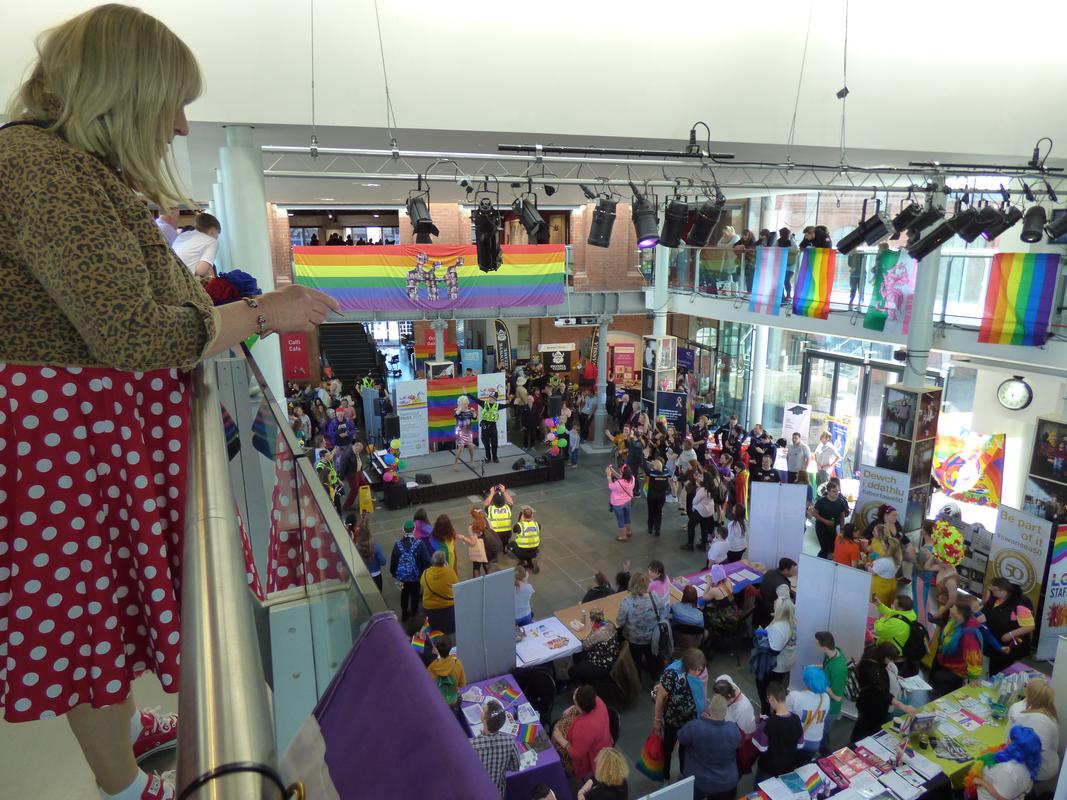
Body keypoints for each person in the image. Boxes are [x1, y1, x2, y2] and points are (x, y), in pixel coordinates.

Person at [0, 8, 342, 799]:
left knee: (105, 601)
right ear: (124, 93)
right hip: (72, 438)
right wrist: (263, 314)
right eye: (174, 103)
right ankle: (122, 785)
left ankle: (121, 734)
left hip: (91, 428)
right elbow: (136, 331)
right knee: (87, 614)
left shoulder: (65, 169)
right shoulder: (48, 173)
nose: (181, 125)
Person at [653, 648, 708, 781]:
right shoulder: (671, 674)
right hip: (673, 720)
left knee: (686, 750)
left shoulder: (702, 671)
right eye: (694, 669)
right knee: (667, 749)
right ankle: (665, 775)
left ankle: (684, 776)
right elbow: (660, 698)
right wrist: (657, 720)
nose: (697, 673)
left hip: (691, 722)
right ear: (687, 665)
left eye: (700, 670)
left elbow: (702, 694)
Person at [678, 694, 741, 800]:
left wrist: (702, 720)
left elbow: (681, 737)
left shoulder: (695, 726)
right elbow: (737, 744)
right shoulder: (733, 729)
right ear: (725, 712)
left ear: (710, 709)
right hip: (726, 783)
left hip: (699, 782)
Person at [852, 643, 917, 743]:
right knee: (866, 729)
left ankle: (856, 742)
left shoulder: (872, 653)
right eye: (890, 660)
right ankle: (857, 744)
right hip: (871, 706)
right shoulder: (873, 670)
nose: (890, 663)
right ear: (885, 657)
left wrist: (895, 676)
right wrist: (903, 706)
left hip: (867, 703)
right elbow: (882, 693)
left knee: (862, 725)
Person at [552, 685, 613, 782]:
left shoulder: (585, 727)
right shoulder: (597, 700)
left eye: (575, 702)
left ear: (581, 707)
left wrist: (560, 739)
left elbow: (576, 754)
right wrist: (574, 707)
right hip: (603, 740)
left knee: (555, 743)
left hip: (592, 756)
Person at [977, 577, 1035, 675]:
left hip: (1009, 645)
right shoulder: (993, 598)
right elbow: (983, 611)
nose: (992, 592)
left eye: (994, 590)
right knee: (993, 668)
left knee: (1003, 670)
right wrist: (985, 600)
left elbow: (1030, 626)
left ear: (1003, 591)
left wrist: (1010, 634)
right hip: (994, 642)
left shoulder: (1020, 604)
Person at [1007, 678, 1060, 783]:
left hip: (1037, 768)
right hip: (1043, 763)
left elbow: (1030, 751)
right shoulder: (1049, 714)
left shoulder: (1041, 722)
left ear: (1029, 693)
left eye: (1026, 686)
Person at [970, 725, 1043, 800]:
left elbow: (1003, 798)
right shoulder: (1030, 761)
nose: (1006, 742)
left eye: (1008, 740)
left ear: (1014, 746)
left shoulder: (1008, 770)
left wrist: (982, 782)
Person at [931, 598, 984, 697]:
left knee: (944, 691)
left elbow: (973, 657)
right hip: (946, 663)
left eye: (953, 608)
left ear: (959, 614)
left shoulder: (969, 633)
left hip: (957, 671)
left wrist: (974, 678)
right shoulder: (954, 621)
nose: (950, 609)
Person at [753, 682, 803, 782]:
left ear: (771, 699)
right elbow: (800, 745)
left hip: (768, 768)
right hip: (788, 766)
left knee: (760, 789)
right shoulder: (796, 719)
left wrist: (759, 726)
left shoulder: (767, 724)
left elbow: (761, 748)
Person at [470, 699, 519, 798]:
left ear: (484, 719)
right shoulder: (510, 742)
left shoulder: (471, 745)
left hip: (476, 794)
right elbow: (515, 767)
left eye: (483, 710)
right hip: (497, 793)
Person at [757, 598, 797, 716]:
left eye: (776, 602)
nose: (774, 602)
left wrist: (761, 638)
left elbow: (774, 651)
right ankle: (776, 710)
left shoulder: (778, 627)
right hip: (786, 662)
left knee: (763, 687)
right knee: (777, 685)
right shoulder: (792, 621)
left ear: (779, 609)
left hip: (775, 666)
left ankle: (766, 712)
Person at [617, 573, 659, 681]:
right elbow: (662, 613)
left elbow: (620, 622)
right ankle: (655, 679)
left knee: (636, 661)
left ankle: (638, 681)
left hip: (634, 639)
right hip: (652, 637)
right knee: (652, 659)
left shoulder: (627, 602)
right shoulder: (655, 597)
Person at [787, 666, 830, 758]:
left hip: (796, 739)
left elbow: (785, 716)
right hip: (815, 740)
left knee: (790, 761)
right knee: (805, 763)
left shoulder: (794, 696)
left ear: (806, 681)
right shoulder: (826, 697)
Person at [568, 608, 620, 684]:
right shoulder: (609, 623)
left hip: (601, 664)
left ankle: (581, 686)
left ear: (591, 620)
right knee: (577, 657)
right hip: (611, 655)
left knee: (571, 671)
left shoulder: (598, 633)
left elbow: (585, 646)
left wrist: (592, 629)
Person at [390, 520, 429, 621]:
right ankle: (414, 613)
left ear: (403, 531)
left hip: (402, 578)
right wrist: (422, 573)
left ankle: (404, 613)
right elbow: (426, 561)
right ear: (414, 530)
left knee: (404, 594)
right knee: (415, 595)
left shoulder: (397, 545)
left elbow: (393, 563)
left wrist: (395, 575)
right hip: (416, 578)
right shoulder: (420, 544)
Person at [816, 632, 847, 756]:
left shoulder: (838, 669)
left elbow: (837, 697)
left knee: (823, 732)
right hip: (825, 702)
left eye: (817, 643)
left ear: (824, 647)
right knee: (822, 730)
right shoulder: (832, 653)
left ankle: (825, 754)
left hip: (831, 708)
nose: (816, 644)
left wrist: (824, 686)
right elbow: (826, 667)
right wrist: (815, 667)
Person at [171, 211, 221, 277]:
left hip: (171, 275)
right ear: (213, 230)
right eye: (217, 233)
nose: (217, 237)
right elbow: (200, 271)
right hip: (185, 279)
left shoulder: (184, 235)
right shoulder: (212, 241)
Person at [809, 478, 849, 559]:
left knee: (833, 547)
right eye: (834, 491)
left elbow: (842, 515)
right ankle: (818, 561)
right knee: (825, 548)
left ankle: (828, 561)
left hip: (834, 528)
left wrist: (842, 529)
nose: (836, 493)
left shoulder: (840, 502)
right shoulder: (821, 501)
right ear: (828, 491)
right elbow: (814, 514)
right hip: (821, 528)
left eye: (837, 491)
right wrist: (825, 521)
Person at [424, 634, 466, 709]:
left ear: (436, 650)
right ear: (450, 648)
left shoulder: (431, 668)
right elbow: (462, 684)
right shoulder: (457, 663)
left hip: (439, 703)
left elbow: (428, 688)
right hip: (454, 701)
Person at [420, 550, 458, 634]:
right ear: (444, 562)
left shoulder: (425, 573)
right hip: (448, 607)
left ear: (432, 561)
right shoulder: (450, 572)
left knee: (434, 630)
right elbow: (456, 587)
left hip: (430, 608)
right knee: (449, 629)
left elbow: (422, 586)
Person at [873, 594, 919, 662]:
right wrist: (879, 605)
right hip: (896, 647)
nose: (892, 605)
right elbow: (892, 613)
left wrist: (880, 619)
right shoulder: (909, 614)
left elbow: (879, 630)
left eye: (894, 605)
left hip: (891, 653)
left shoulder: (898, 623)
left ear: (901, 609)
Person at [756, 558, 797, 628]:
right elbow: (785, 605)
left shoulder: (770, 572)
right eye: (793, 570)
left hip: (761, 605)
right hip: (771, 613)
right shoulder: (782, 586)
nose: (795, 572)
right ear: (785, 570)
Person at [868, 525, 903, 606]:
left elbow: (873, 572)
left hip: (880, 588)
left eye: (883, 546)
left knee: (876, 608)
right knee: (886, 606)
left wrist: (868, 566)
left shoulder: (884, 561)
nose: (882, 547)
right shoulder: (896, 559)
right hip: (890, 585)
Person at [683, 472, 718, 551]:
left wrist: (697, 490)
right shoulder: (712, 488)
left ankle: (690, 545)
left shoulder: (702, 490)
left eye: (701, 477)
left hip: (701, 511)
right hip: (709, 511)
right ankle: (703, 546)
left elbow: (694, 501)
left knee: (691, 525)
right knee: (704, 528)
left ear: (705, 479)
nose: (699, 477)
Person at [456, 507, 490, 578]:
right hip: (488, 547)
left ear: (473, 516)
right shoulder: (487, 521)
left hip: (479, 550)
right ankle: (490, 579)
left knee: (476, 567)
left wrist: (463, 537)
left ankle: (477, 583)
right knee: (486, 564)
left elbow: (472, 543)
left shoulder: (472, 527)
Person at [353, 519, 386, 591]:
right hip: (376, 576)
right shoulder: (376, 547)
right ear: (370, 536)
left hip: (363, 576)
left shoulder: (356, 548)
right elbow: (383, 562)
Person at [671, 585, 707, 651]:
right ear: (696, 597)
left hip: (678, 638)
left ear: (683, 596)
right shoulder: (700, 615)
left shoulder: (675, 607)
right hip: (695, 641)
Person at [607, 464, 636, 542]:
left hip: (618, 504)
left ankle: (623, 536)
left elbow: (611, 486)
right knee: (627, 517)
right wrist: (613, 471)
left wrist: (608, 476)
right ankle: (628, 531)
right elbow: (622, 478)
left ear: (623, 473)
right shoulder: (632, 478)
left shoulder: (618, 483)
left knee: (620, 520)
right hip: (628, 501)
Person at [483, 484, 515, 552]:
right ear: (503, 501)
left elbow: (485, 504)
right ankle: (505, 546)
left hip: (496, 535)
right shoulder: (507, 508)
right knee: (505, 539)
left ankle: (495, 548)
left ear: (493, 501)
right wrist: (504, 491)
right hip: (506, 534)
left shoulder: (490, 509)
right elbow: (510, 501)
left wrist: (492, 493)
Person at [645, 459, 669, 536]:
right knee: (658, 512)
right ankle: (657, 529)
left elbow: (646, 469)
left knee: (651, 511)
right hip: (661, 496)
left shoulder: (651, 473)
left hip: (652, 495)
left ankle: (650, 528)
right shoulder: (666, 473)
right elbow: (667, 470)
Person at [514, 506, 541, 573]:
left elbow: (514, 530)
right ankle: (531, 560)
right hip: (534, 549)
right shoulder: (537, 524)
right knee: (530, 553)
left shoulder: (519, 525)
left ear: (523, 516)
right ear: (532, 515)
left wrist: (520, 521)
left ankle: (522, 561)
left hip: (522, 550)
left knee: (511, 545)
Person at [453, 395, 477, 470]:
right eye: (464, 403)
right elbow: (455, 415)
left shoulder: (470, 411)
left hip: (468, 432)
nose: (466, 405)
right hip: (460, 432)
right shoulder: (457, 411)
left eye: (466, 403)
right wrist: (459, 410)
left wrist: (474, 412)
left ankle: (472, 461)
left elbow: (475, 418)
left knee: (471, 446)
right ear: (460, 404)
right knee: (461, 447)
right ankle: (455, 463)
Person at [478, 389, 502, 463]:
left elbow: (507, 405)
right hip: (485, 426)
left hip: (493, 426)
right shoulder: (484, 404)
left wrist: (514, 402)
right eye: (490, 397)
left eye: (493, 398)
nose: (491, 399)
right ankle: (488, 458)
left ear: (495, 400)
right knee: (486, 444)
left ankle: (495, 457)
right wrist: (467, 394)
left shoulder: (497, 406)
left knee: (494, 443)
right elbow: (476, 400)